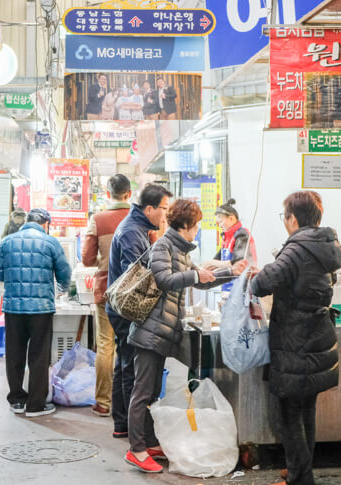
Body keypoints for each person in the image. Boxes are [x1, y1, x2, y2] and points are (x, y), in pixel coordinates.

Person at [125, 199, 247, 473]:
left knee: (153, 390)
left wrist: (230, 272)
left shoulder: (180, 251)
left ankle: (148, 442)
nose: (198, 230)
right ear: (187, 226)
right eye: (197, 225)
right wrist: (195, 275)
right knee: (142, 391)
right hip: (149, 330)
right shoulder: (163, 246)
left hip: (162, 330)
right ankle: (136, 449)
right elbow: (164, 279)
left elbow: (200, 278)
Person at [249, 191, 341, 485]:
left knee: (290, 415)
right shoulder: (326, 246)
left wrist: (255, 274)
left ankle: (301, 479)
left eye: (284, 216)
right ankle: (300, 470)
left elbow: (261, 284)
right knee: (306, 411)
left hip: (295, 341)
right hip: (317, 335)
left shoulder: (296, 249)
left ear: (292, 218)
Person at [0, 209, 72, 418]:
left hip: (13, 308)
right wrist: (62, 288)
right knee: (39, 355)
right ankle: (36, 405)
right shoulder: (50, 242)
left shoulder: (8, 241)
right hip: (41, 309)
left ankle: (17, 400)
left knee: (15, 354)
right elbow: (65, 272)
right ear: (45, 224)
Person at [107, 184, 172, 439]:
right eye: (163, 209)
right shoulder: (132, 233)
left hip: (120, 309)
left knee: (123, 366)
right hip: (125, 310)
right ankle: (134, 433)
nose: (164, 215)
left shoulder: (138, 228)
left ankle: (121, 424)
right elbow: (134, 278)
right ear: (149, 208)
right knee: (129, 369)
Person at [81, 174, 132, 418]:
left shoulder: (98, 220)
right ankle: (130, 400)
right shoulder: (139, 218)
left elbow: (87, 259)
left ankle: (103, 402)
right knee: (130, 345)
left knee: (105, 344)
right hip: (134, 293)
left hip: (105, 290)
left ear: (108, 194)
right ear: (129, 194)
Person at [203, 198, 257, 293]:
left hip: (242, 288)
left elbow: (238, 264)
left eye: (221, 222)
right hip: (229, 288)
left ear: (231, 218)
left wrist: (211, 262)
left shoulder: (242, 235)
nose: (219, 226)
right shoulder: (227, 238)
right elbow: (216, 260)